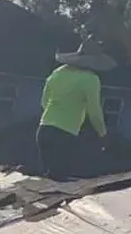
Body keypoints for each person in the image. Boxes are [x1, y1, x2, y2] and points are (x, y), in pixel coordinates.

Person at [37, 38, 117, 180]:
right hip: (65, 135)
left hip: (44, 130)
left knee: (50, 178)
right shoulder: (91, 79)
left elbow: (44, 101)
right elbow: (94, 112)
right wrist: (103, 134)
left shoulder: (58, 73)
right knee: (61, 180)